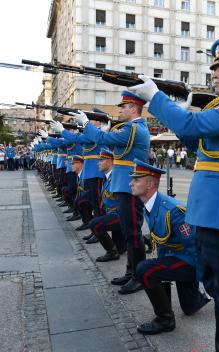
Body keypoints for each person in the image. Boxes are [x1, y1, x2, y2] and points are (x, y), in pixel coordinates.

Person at [128, 36, 219, 351]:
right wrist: (178, 115)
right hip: (211, 217)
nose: (214, 73)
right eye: (213, 67)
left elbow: (192, 124)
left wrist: (156, 99)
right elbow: (201, 145)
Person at [56, 91, 150, 294]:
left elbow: (101, 137)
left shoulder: (134, 129)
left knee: (133, 233)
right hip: (125, 185)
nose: (119, 110)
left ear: (133, 109)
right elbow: (105, 140)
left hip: (130, 187)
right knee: (128, 231)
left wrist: (86, 123)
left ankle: (139, 276)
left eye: (122, 107)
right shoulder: (129, 128)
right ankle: (131, 272)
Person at [129, 159, 210, 335]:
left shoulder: (172, 211)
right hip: (177, 257)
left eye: (136, 180)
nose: (131, 183)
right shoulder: (149, 204)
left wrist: (206, 277)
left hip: (188, 259)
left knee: (145, 270)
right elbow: (162, 240)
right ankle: (198, 298)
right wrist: (162, 264)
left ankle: (165, 320)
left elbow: (195, 246)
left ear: (150, 184)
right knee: (190, 308)